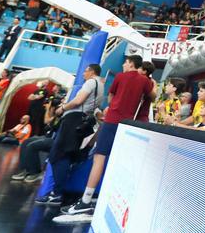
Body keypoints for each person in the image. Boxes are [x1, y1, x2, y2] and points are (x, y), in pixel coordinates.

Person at [55, 55, 155, 219]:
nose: (123, 64)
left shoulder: (121, 77)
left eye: (125, 62)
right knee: (121, 162)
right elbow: (152, 97)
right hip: (129, 126)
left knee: (99, 160)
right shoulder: (145, 81)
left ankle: (85, 202)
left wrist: (115, 105)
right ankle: (115, 200)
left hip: (112, 122)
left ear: (131, 64)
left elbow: (111, 98)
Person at [37, 64, 103, 205]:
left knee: (58, 156)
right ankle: (57, 192)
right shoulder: (101, 85)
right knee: (65, 156)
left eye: (85, 71)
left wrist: (62, 108)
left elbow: (79, 100)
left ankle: (57, 194)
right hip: (80, 121)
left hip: (73, 121)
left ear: (91, 72)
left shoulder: (91, 82)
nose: (83, 74)